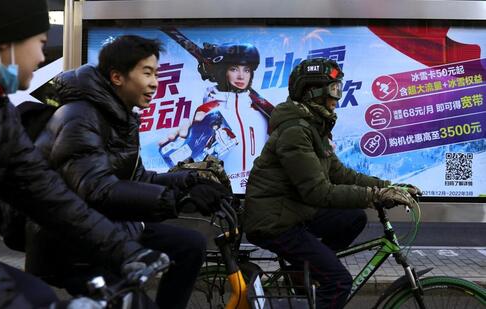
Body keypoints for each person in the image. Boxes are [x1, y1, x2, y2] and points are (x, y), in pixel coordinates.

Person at [0, 1, 167, 308]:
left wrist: (125, 252)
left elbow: (45, 192)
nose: (42, 56)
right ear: (5, 44)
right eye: (41, 42)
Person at [25, 35, 229, 309]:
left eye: (156, 73)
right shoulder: (79, 116)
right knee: (136, 303)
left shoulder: (121, 117)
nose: (155, 82)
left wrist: (189, 181)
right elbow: (97, 188)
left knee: (190, 245)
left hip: (109, 226)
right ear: (117, 77)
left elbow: (138, 178)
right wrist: (176, 200)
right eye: (147, 73)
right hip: (70, 244)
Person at [242, 58, 422, 309]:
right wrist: (375, 196)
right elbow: (318, 192)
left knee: (354, 218)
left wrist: (389, 185)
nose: (337, 98)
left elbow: (339, 172)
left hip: (293, 210)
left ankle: (300, 270)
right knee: (338, 281)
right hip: (274, 222)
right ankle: (313, 269)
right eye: (333, 90)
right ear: (312, 93)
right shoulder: (295, 130)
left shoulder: (314, 127)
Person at [161, 42, 274, 190]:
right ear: (223, 71)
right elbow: (194, 146)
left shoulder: (261, 110)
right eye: (234, 69)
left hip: (260, 191)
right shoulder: (208, 109)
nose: (241, 75)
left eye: (246, 70)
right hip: (221, 192)